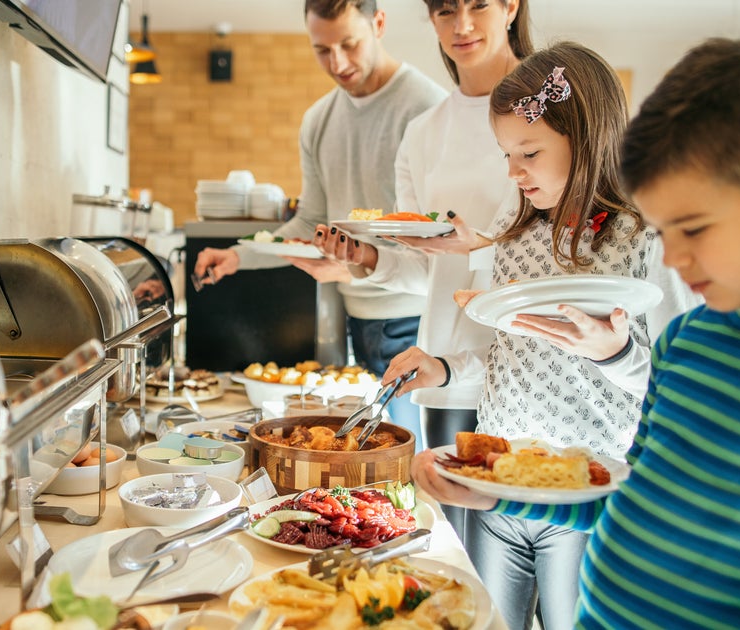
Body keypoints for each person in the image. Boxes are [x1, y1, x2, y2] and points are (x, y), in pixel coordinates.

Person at [412, 37, 740, 628]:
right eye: (666, 231)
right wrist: (499, 496)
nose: (673, 258)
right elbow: (634, 503)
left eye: (692, 228)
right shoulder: (687, 344)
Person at [399, 41, 695, 630]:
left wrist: (618, 355)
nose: (512, 172)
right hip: (496, 485)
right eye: (506, 153)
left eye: (528, 152)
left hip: (585, 493)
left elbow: (682, 382)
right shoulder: (514, 241)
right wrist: (447, 368)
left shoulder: (643, 239)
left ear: (585, 140)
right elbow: (508, 355)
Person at [311, 0, 532, 540]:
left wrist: (475, 248)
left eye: (478, 5)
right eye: (443, 10)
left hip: (531, 370)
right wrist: (367, 258)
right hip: (447, 371)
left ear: (510, 6)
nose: (461, 25)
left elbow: (560, 250)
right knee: (459, 560)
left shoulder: (548, 110)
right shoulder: (425, 131)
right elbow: (424, 272)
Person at [192, 0, 447, 448]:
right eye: (322, 50)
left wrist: (351, 267)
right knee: (363, 455)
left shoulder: (427, 109)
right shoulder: (318, 120)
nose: (339, 63)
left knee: (405, 460)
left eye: (349, 44)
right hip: (359, 318)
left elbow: (438, 236)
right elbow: (310, 220)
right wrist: (238, 255)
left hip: (417, 321)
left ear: (380, 24)